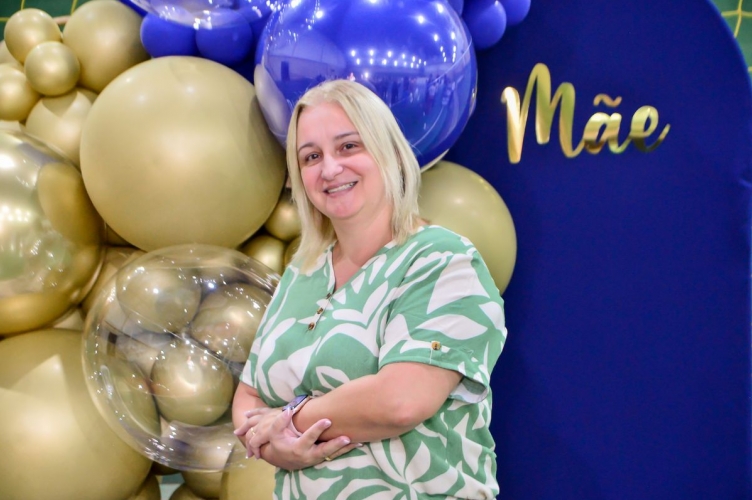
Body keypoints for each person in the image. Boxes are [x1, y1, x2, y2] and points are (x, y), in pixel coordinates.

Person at [232, 78, 507, 499]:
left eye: (348, 146)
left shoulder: (442, 260)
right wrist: (274, 447)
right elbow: (249, 395)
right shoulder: (302, 273)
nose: (329, 169)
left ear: (390, 153)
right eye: (311, 156)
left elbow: (400, 401)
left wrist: (288, 420)